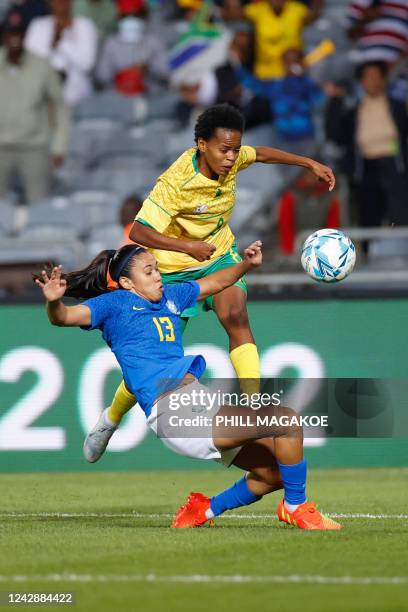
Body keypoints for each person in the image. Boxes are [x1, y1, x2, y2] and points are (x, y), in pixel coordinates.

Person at [34, 243, 342, 531]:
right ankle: (296, 507)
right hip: (175, 413)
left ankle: (204, 509)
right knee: (285, 421)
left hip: (197, 402)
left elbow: (215, 283)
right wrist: (53, 303)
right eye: (149, 272)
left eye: (156, 269)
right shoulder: (114, 304)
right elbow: (64, 317)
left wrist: (246, 265)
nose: (157, 276)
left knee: (273, 474)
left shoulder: (170, 296)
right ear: (127, 284)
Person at [99, 103, 336, 454]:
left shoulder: (232, 156)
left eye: (235, 150)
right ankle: (110, 419)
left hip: (219, 255)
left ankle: (256, 412)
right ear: (201, 145)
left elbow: (262, 155)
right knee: (158, 359)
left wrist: (308, 163)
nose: (231, 158)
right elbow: (138, 229)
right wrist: (187, 246)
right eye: (224, 150)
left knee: (236, 315)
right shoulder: (176, 181)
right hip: (176, 270)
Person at [325, 61, 408, 235]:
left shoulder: (398, 107)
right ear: (361, 82)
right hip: (365, 166)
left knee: (400, 212)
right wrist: (334, 101)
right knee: (369, 214)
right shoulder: (352, 112)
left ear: (384, 80)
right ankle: (369, 252)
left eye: (377, 77)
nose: (373, 82)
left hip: (395, 164)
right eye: (368, 78)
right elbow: (335, 135)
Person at [0, 11, 70, 204]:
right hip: (1, 147)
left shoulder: (42, 66)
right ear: (3, 36)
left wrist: (59, 145)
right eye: (10, 34)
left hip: (34, 148)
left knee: (39, 204)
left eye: (18, 34)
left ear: (25, 36)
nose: (14, 39)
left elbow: (60, 106)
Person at [24, 0, 98, 105]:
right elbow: (31, 63)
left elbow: (87, 64)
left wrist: (62, 43)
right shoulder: (38, 25)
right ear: (49, 3)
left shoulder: (85, 25)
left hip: (78, 98)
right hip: (44, 97)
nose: (61, 3)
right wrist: (53, 39)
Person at [94, 0, 168, 95]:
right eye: (125, 16)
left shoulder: (153, 41)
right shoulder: (111, 44)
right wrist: (123, 76)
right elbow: (102, 78)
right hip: (119, 98)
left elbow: (166, 74)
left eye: (135, 15)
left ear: (143, 16)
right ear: (119, 18)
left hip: (150, 98)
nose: (130, 20)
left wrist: (147, 69)